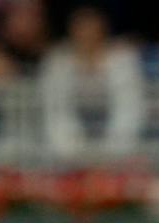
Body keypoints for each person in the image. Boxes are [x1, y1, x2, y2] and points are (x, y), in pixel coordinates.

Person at [35, 2, 138, 157]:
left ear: (103, 29)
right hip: (67, 146)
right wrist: (70, 147)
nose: (87, 33)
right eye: (81, 27)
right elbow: (54, 109)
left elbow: (131, 107)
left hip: (116, 143)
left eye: (92, 26)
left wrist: (115, 149)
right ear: (72, 30)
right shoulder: (57, 61)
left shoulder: (122, 58)